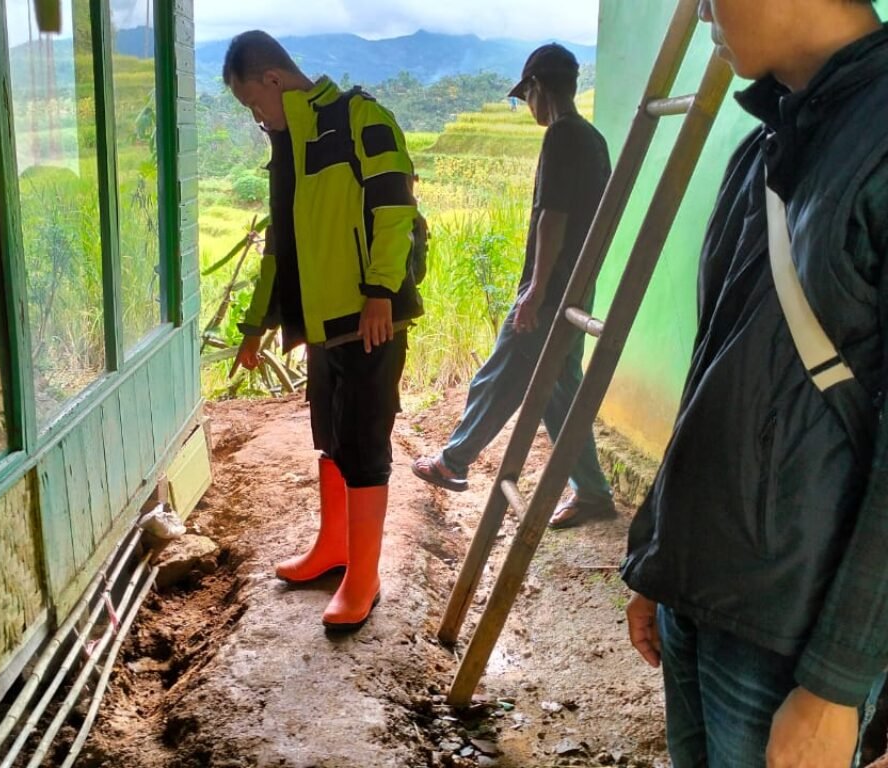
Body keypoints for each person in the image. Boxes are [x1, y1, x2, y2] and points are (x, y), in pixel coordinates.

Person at [621, 2, 888, 766]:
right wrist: (661, 561)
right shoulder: (763, 149)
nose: (702, 7)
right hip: (705, 595)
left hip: (795, 637)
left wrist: (836, 685)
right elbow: (715, 367)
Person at [223, 31, 422, 630]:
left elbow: (394, 206)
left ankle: (365, 576)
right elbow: (279, 244)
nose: (257, 117)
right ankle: (333, 548)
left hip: (369, 317)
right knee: (330, 438)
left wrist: (381, 291)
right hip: (321, 326)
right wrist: (256, 324)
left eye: (254, 103)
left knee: (363, 444)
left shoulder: (358, 119)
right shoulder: (287, 145)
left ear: (273, 80)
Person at [412, 43, 615, 530]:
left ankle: (453, 462)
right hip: (577, 287)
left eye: (526, 96)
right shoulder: (593, 138)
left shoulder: (563, 136)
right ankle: (591, 492)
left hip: (554, 291)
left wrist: (536, 290)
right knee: (557, 392)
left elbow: (553, 217)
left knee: (501, 373)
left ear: (537, 88)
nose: (528, 108)